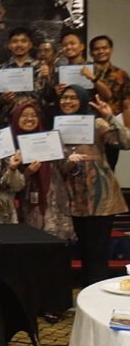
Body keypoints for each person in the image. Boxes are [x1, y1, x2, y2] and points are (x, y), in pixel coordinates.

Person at [59, 85, 129, 284]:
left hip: (100, 196)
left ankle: (96, 295)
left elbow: (125, 143)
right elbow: (59, 166)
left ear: (81, 100)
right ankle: (86, 295)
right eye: (64, 98)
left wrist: (109, 117)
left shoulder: (97, 123)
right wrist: (68, 162)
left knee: (97, 252)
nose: (68, 101)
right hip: (75, 196)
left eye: (73, 97)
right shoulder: (58, 127)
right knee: (84, 250)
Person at [11, 102, 73, 241]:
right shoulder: (10, 145)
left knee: (55, 246)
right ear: (16, 118)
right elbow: (8, 184)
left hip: (53, 201)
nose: (30, 119)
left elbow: (63, 168)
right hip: (26, 204)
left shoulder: (50, 139)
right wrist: (26, 172)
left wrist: (71, 161)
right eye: (24, 115)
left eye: (34, 115)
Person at [89, 35, 130, 170]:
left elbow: (126, 104)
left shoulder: (121, 75)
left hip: (112, 127)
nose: (101, 51)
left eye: (104, 48)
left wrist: (127, 129)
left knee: (110, 167)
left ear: (111, 50)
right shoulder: (84, 73)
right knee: (90, 168)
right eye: (96, 49)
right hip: (90, 128)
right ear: (91, 53)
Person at [0, 27, 51, 117]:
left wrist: (48, 79)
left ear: (30, 45)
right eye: (15, 41)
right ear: (9, 45)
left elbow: (48, 97)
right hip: (9, 118)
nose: (19, 45)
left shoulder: (40, 68)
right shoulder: (1, 69)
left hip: (34, 118)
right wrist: (3, 100)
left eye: (23, 41)